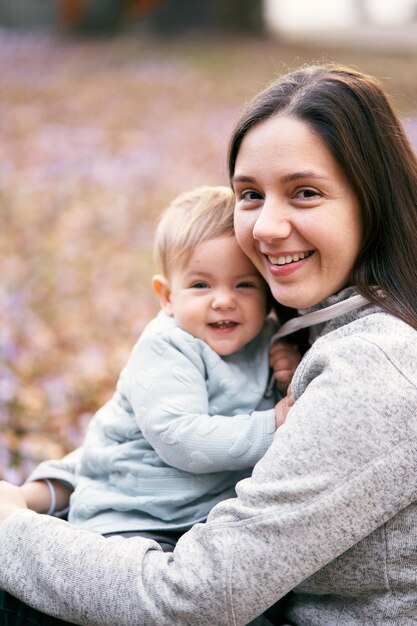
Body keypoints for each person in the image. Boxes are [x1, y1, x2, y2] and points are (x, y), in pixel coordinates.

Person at [0, 62, 416, 626]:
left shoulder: (377, 368)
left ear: (375, 201)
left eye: (306, 193)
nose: (267, 227)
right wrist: (43, 494)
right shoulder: (300, 317)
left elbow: (194, 599)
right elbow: (147, 439)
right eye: (250, 194)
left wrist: (11, 534)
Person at [9, 184, 299, 553]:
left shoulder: (265, 339)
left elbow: (255, 402)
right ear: (166, 296)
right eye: (200, 285)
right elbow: (183, 439)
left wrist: (285, 374)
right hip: (130, 519)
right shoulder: (167, 347)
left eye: (245, 285)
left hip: (197, 519)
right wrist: (273, 424)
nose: (224, 301)